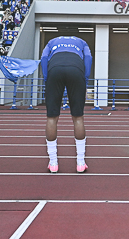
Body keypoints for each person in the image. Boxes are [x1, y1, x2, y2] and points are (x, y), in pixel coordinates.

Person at [40, 36, 92, 173]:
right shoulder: (82, 41)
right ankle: (80, 163)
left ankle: (53, 163)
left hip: (54, 69)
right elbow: (88, 58)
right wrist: (85, 80)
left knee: (52, 118)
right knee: (78, 117)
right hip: (76, 69)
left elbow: (44, 58)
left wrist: (47, 78)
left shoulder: (52, 41)